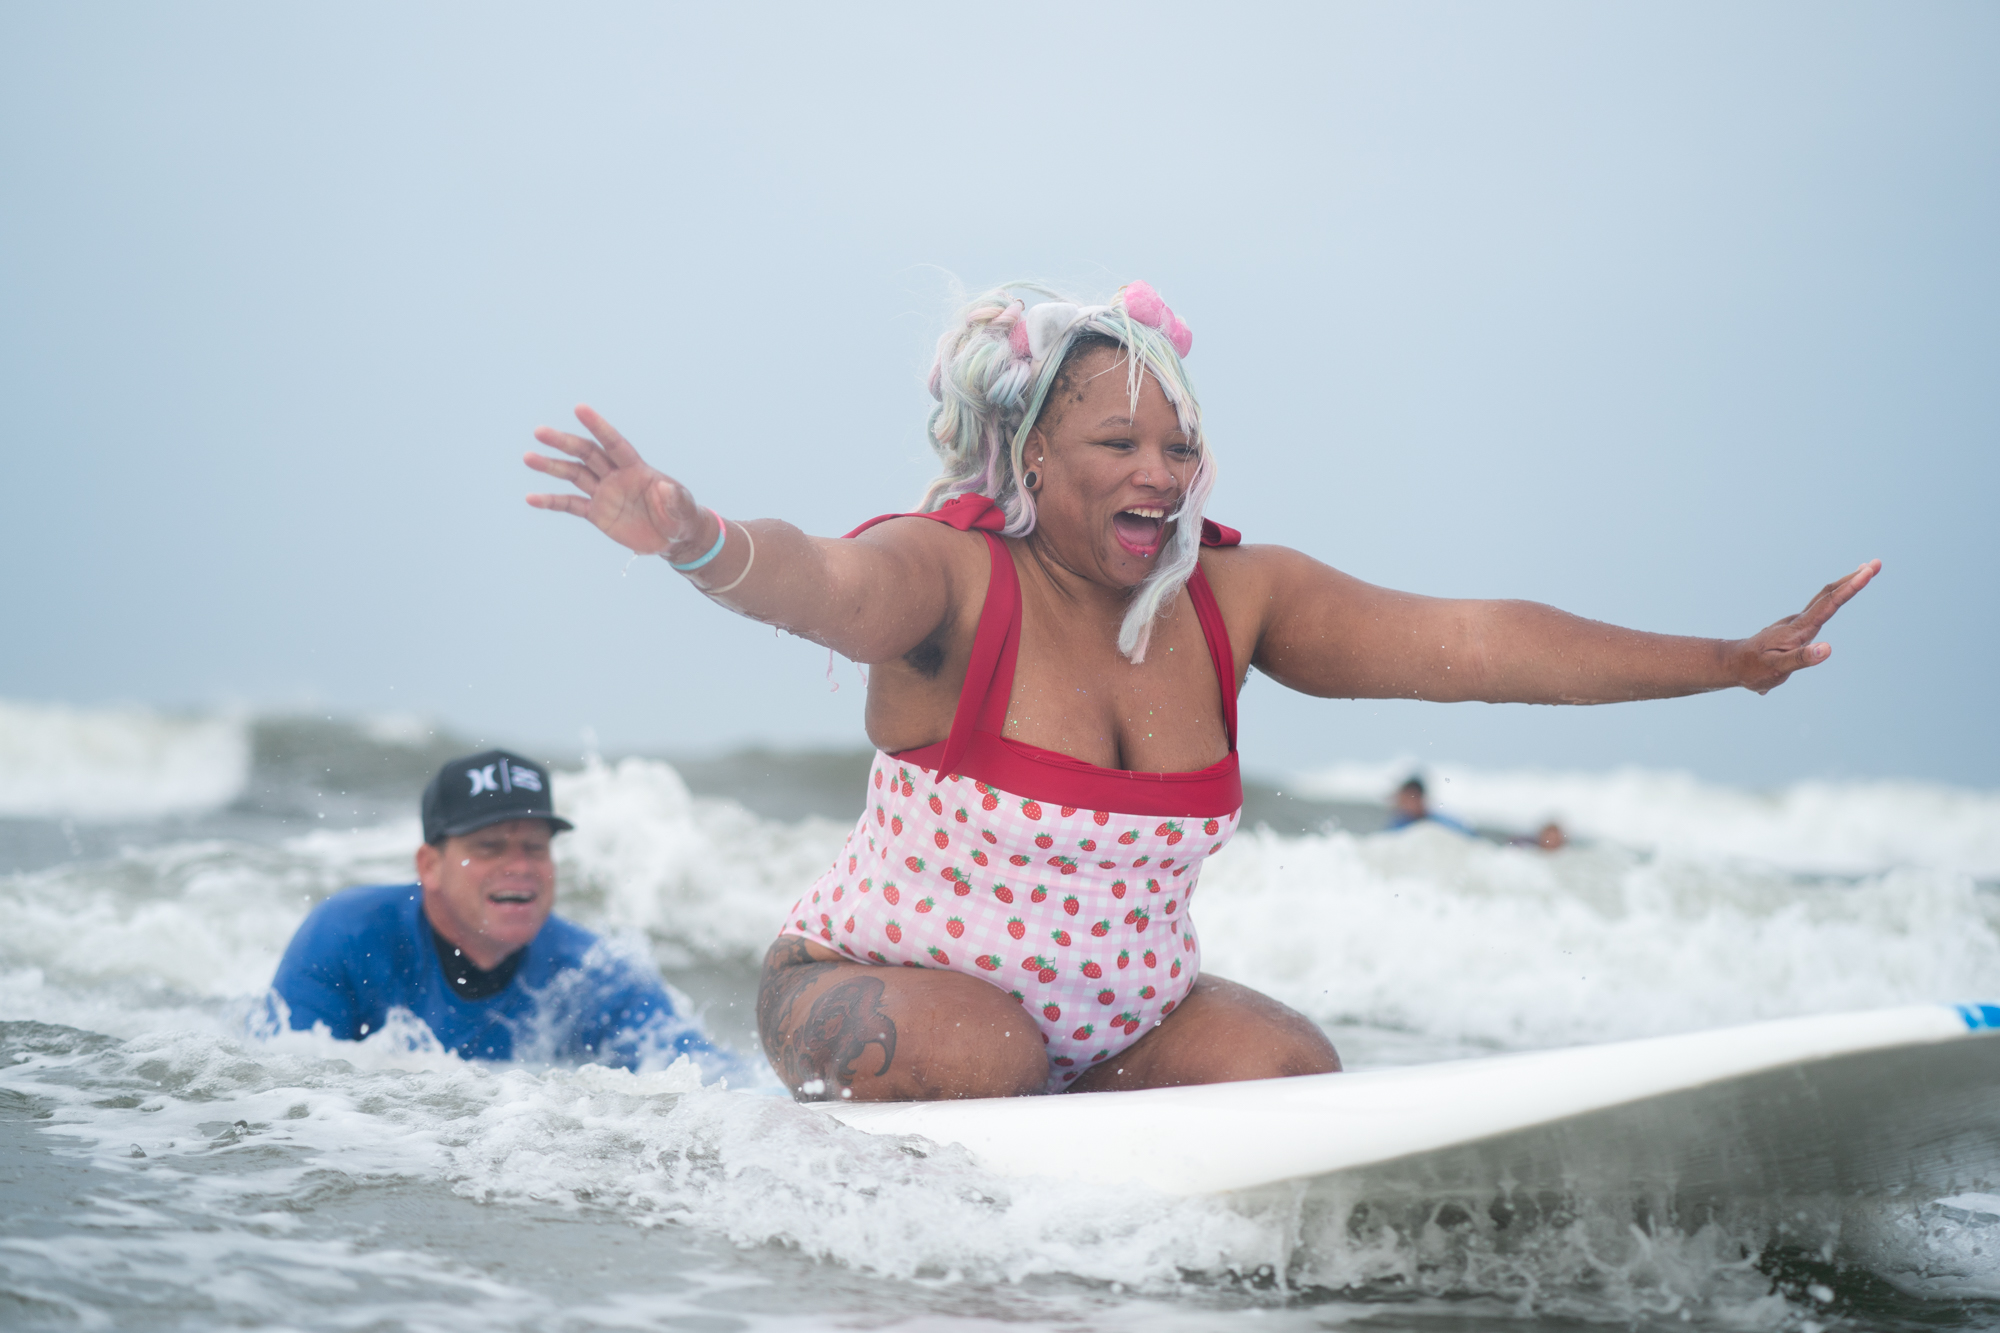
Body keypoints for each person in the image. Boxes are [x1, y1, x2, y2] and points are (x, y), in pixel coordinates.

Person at [523, 279, 1876, 1103]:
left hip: (1107, 1031)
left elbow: (1474, 646)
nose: (1160, 474)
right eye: (1118, 441)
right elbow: (815, 581)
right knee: (988, 1053)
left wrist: (1724, 663)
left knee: (1289, 1067)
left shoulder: (1238, 600)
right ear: (1034, 463)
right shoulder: (946, 581)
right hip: (866, 994)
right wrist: (695, 539)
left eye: (1181, 444)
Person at [266, 748, 723, 1071]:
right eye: (489, 848)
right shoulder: (346, 936)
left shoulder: (592, 973)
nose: (520, 867)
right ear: (430, 865)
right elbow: (282, 1089)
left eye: (535, 847)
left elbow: (704, 1073)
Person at [1384, 776, 1473, 835]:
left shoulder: (1441, 822)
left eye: (1409, 799)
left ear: (1420, 798)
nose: (1405, 805)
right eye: (1403, 800)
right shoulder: (1397, 825)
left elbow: (1470, 835)